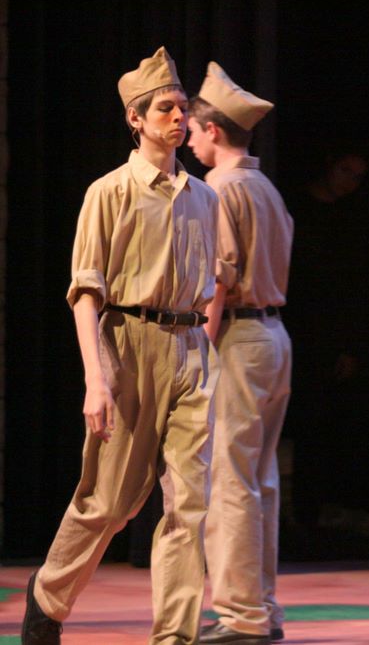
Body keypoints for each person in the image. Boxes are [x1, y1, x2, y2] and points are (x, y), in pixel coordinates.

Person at [21, 47, 220, 645]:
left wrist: (205, 350)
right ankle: (49, 595)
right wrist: (97, 378)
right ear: (135, 118)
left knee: (189, 504)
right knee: (110, 503)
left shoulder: (205, 197)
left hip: (192, 348)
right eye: (165, 108)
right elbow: (86, 292)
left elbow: (210, 285)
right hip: (130, 346)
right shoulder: (108, 192)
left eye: (182, 107)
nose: (179, 117)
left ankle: (175, 636)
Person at [186, 62, 293, 645]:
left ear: (214, 131)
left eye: (194, 131)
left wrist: (198, 351)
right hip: (273, 337)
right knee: (258, 479)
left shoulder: (222, 188)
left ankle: (241, 615)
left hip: (239, 338)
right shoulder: (264, 187)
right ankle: (261, 608)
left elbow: (218, 280)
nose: (190, 141)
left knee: (230, 479)